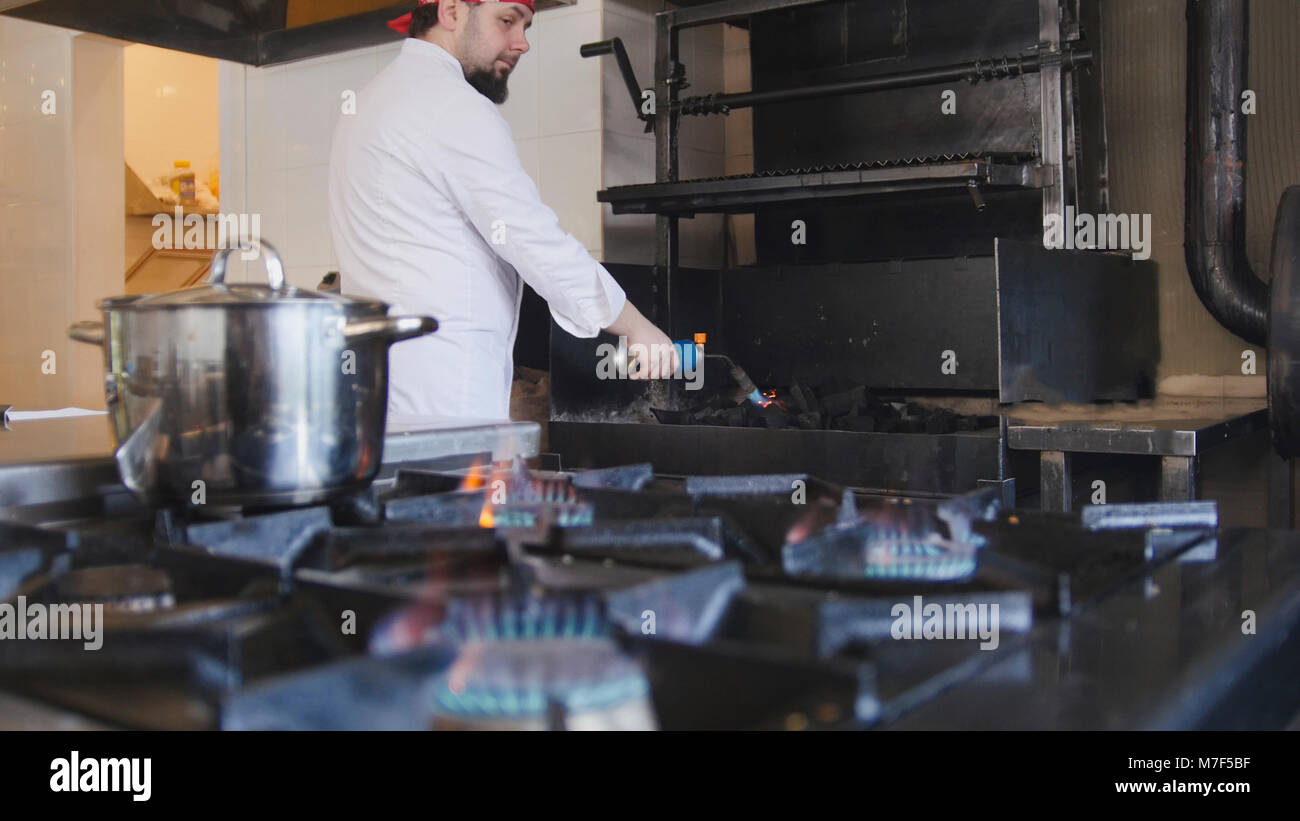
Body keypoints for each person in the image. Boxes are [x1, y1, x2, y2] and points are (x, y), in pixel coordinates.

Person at [327, 0, 676, 421]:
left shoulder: (372, 99)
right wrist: (634, 326)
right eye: (507, 20)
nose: (522, 43)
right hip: (443, 391)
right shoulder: (449, 104)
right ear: (452, 11)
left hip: (382, 387)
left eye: (526, 26)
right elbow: (529, 236)